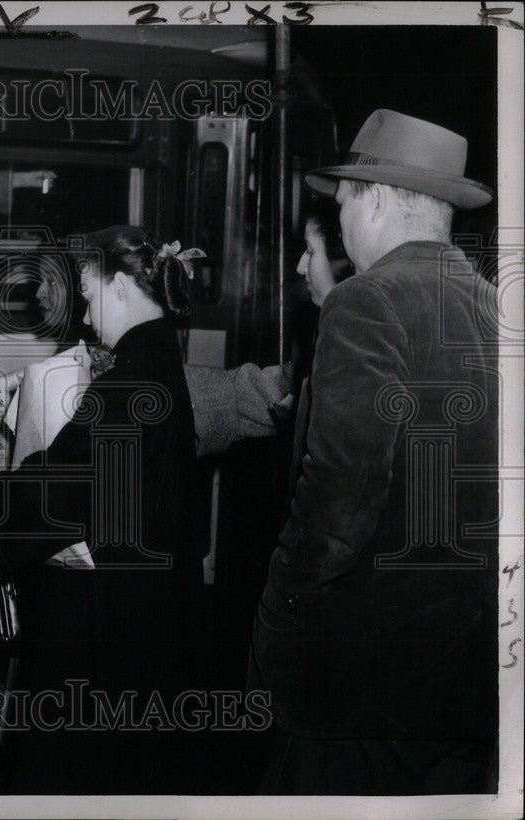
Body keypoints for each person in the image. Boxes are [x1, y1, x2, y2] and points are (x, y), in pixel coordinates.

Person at [251, 109, 499, 794]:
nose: (343, 224)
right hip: (474, 688)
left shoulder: (365, 302)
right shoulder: (495, 309)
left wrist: (278, 623)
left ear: (379, 198)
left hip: (364, 686)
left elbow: (338, 500)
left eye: (344, 204)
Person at [0, 226, 207, 793]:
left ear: (120, 285)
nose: (87, 314)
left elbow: (59, 491)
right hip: (153, 620)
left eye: (90, 294)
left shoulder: (127, 384)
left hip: (111, 630)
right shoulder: (159, 366)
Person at [186, 200, 353, 456]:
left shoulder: (353, 350)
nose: (299, 267)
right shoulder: (332, 337)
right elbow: (271, 392)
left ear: (341, 263)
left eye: (310, 251)